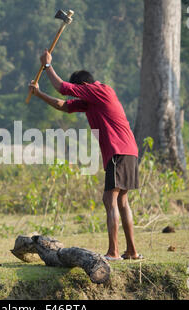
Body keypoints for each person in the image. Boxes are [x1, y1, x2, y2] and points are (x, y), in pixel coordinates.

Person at [28, 49, 143, 261]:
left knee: (110, 199)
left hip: (118, 150)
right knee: (122, 201)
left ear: (83, 87)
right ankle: (132, 252)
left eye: (77, 91)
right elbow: (64, 105)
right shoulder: (93, 101)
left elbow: (62, 88)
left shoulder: (99, 90)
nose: (76, 95)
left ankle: (114, 252)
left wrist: (47, 66)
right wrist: (39, 93)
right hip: (128, 150)